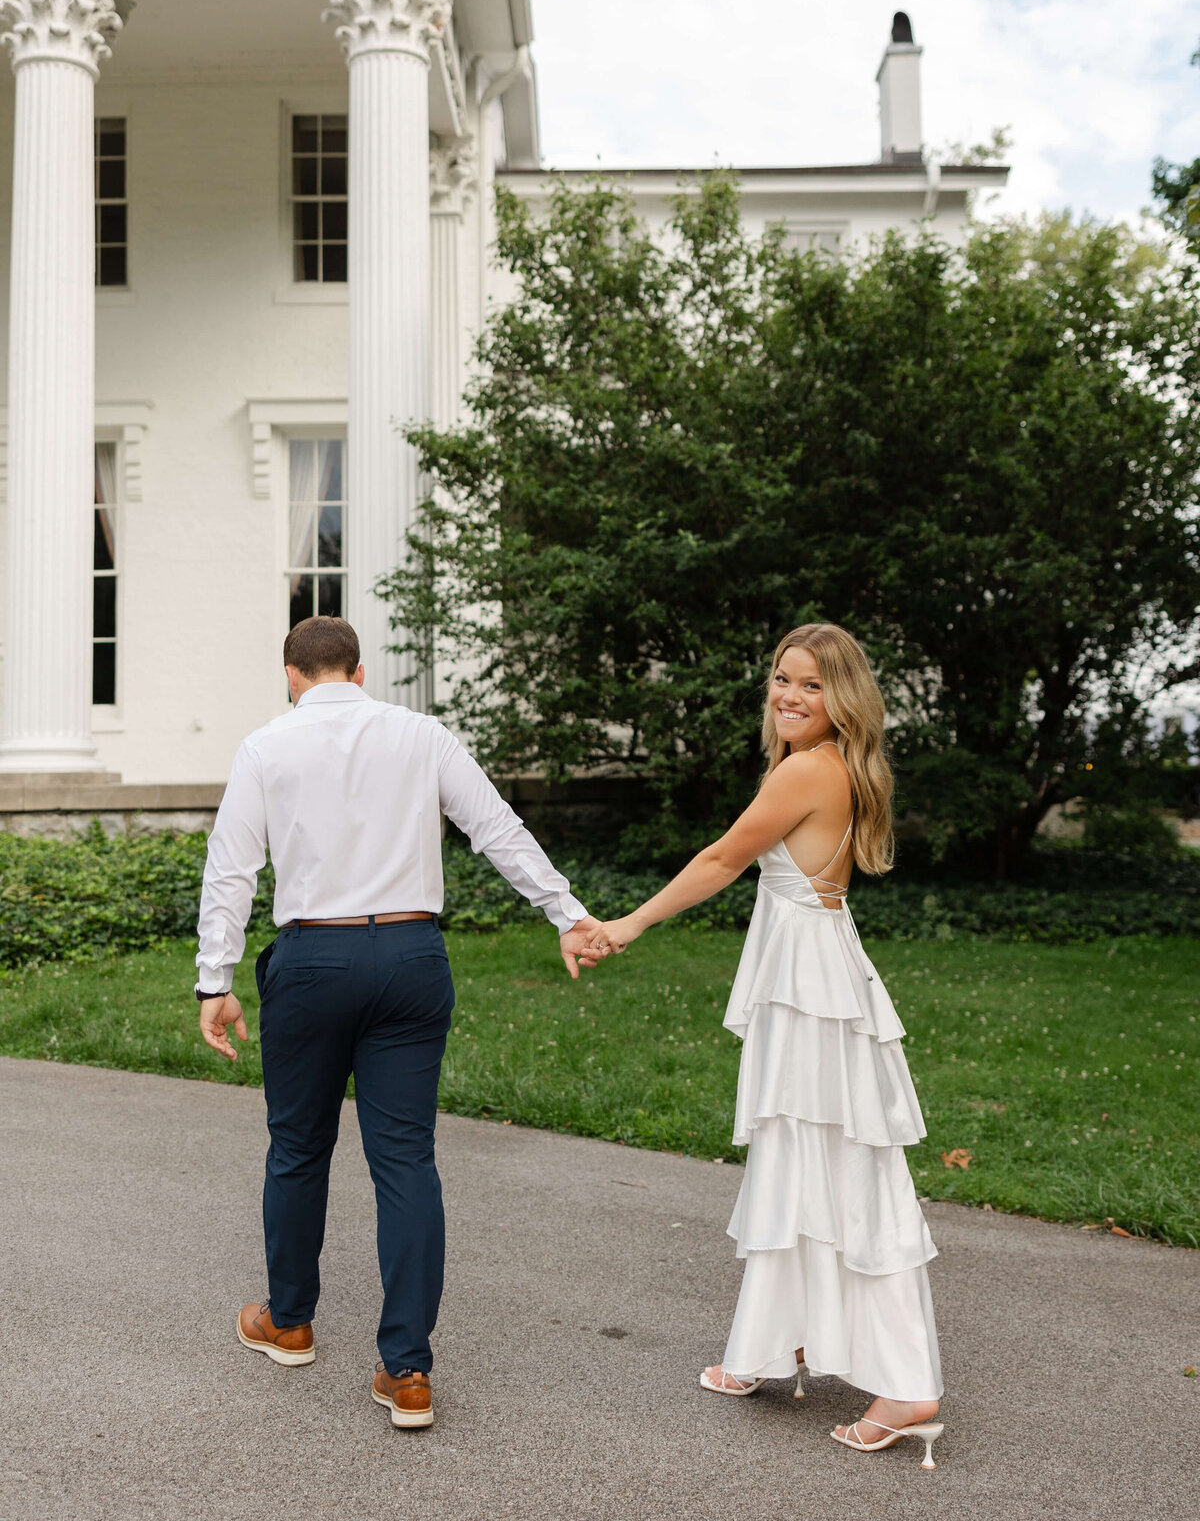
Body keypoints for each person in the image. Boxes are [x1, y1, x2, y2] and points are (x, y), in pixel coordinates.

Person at [195, 615, 600, 1431]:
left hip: (314, 961)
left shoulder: (266, 747)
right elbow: (496, 829)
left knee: (300, 1146)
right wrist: (567, 912)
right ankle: (407, 1370)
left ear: (292, 675)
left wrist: (217, 980)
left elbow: (232, 870)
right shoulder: (422, 735)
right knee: (407, 1160)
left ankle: (290, 1321)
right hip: (414, 958)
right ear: (360, 670)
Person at [584, 623, 944, 1468]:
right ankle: (775, 1347)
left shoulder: (809, 771)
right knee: (800, 1159)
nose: (789, 695)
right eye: (782, 679)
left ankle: (906, 1382)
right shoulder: (835, 765)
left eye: (811, 685)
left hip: (812, 991)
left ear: (842, 698)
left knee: (843, 1167)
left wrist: (627, 925)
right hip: (813, 976)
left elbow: (721, 859)